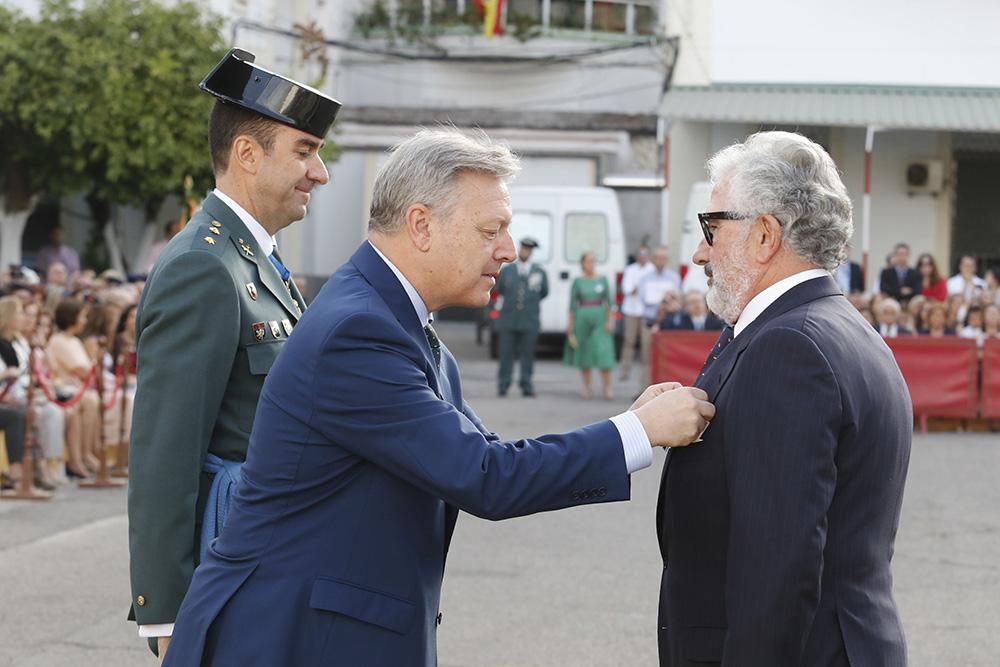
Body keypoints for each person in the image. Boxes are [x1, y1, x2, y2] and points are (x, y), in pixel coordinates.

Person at [161, 128, 715, 667]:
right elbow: (486, 476)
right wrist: (639, 432)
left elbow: (488, 453)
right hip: (285, 638)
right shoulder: (359, 332)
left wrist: (633, 421)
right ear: (421, 225)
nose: (507, 250)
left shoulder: (396, 318)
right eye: (489, 230)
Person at [658, 131, 911, 666]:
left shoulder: (789, 347)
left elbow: (775, 571)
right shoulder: (837, 328)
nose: (700, 250)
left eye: (712, 226)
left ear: (765, 235)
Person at [126, 48, 341, 662]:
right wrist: (164, 613)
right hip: (232, 567)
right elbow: (166, 450)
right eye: (304, 151)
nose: (320, 172)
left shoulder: (254, 257)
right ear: (248, 154)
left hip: (270, 557)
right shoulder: (204, 263)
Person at [495, 237, 548, 397]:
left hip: (529, 319)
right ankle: (503, 384)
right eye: (524, 249)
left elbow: (544, 292)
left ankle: (526, 384)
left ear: (532, 252)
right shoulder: (507, 271)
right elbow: (501, 289)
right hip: (509, 319)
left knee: (528, 355)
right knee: (505, 354)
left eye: (529, 250)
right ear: (520, 249)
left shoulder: (539, 272)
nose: (526, 252)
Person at [564, 250, 617, 399]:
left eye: (593, 261)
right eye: (588, 261)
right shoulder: (578, 282)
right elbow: (572, 305)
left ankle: (607, 386)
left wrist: (609, 320)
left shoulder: (602, 280)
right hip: (582, 318)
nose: (591, 264)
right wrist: (570, 326)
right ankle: (586, 386)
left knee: (603, 352)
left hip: (600, 318)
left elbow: (610, 303)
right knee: (585, 352)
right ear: (582, 264)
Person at [638, 246, 682, 382]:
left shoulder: (674, 277)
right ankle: (643, 389)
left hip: (668, 325)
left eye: (664, 258)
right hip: (650, 322)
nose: (661, 261)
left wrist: (670, 305)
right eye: (658, 258)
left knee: (667, 358)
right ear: (653, 259)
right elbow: (643, 299)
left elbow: (679, 300)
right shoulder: (645, 278)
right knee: (647, 357)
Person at [618, 246, 653, 380]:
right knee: (629, 341)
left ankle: (646, 375)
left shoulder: (651, 270)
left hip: (646, 312)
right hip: (631, 310)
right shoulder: (630, 269)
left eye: (645, 254)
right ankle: (625, 370)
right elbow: (627, 289)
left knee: (646, 344)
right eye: (640, 254)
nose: (643, 257)